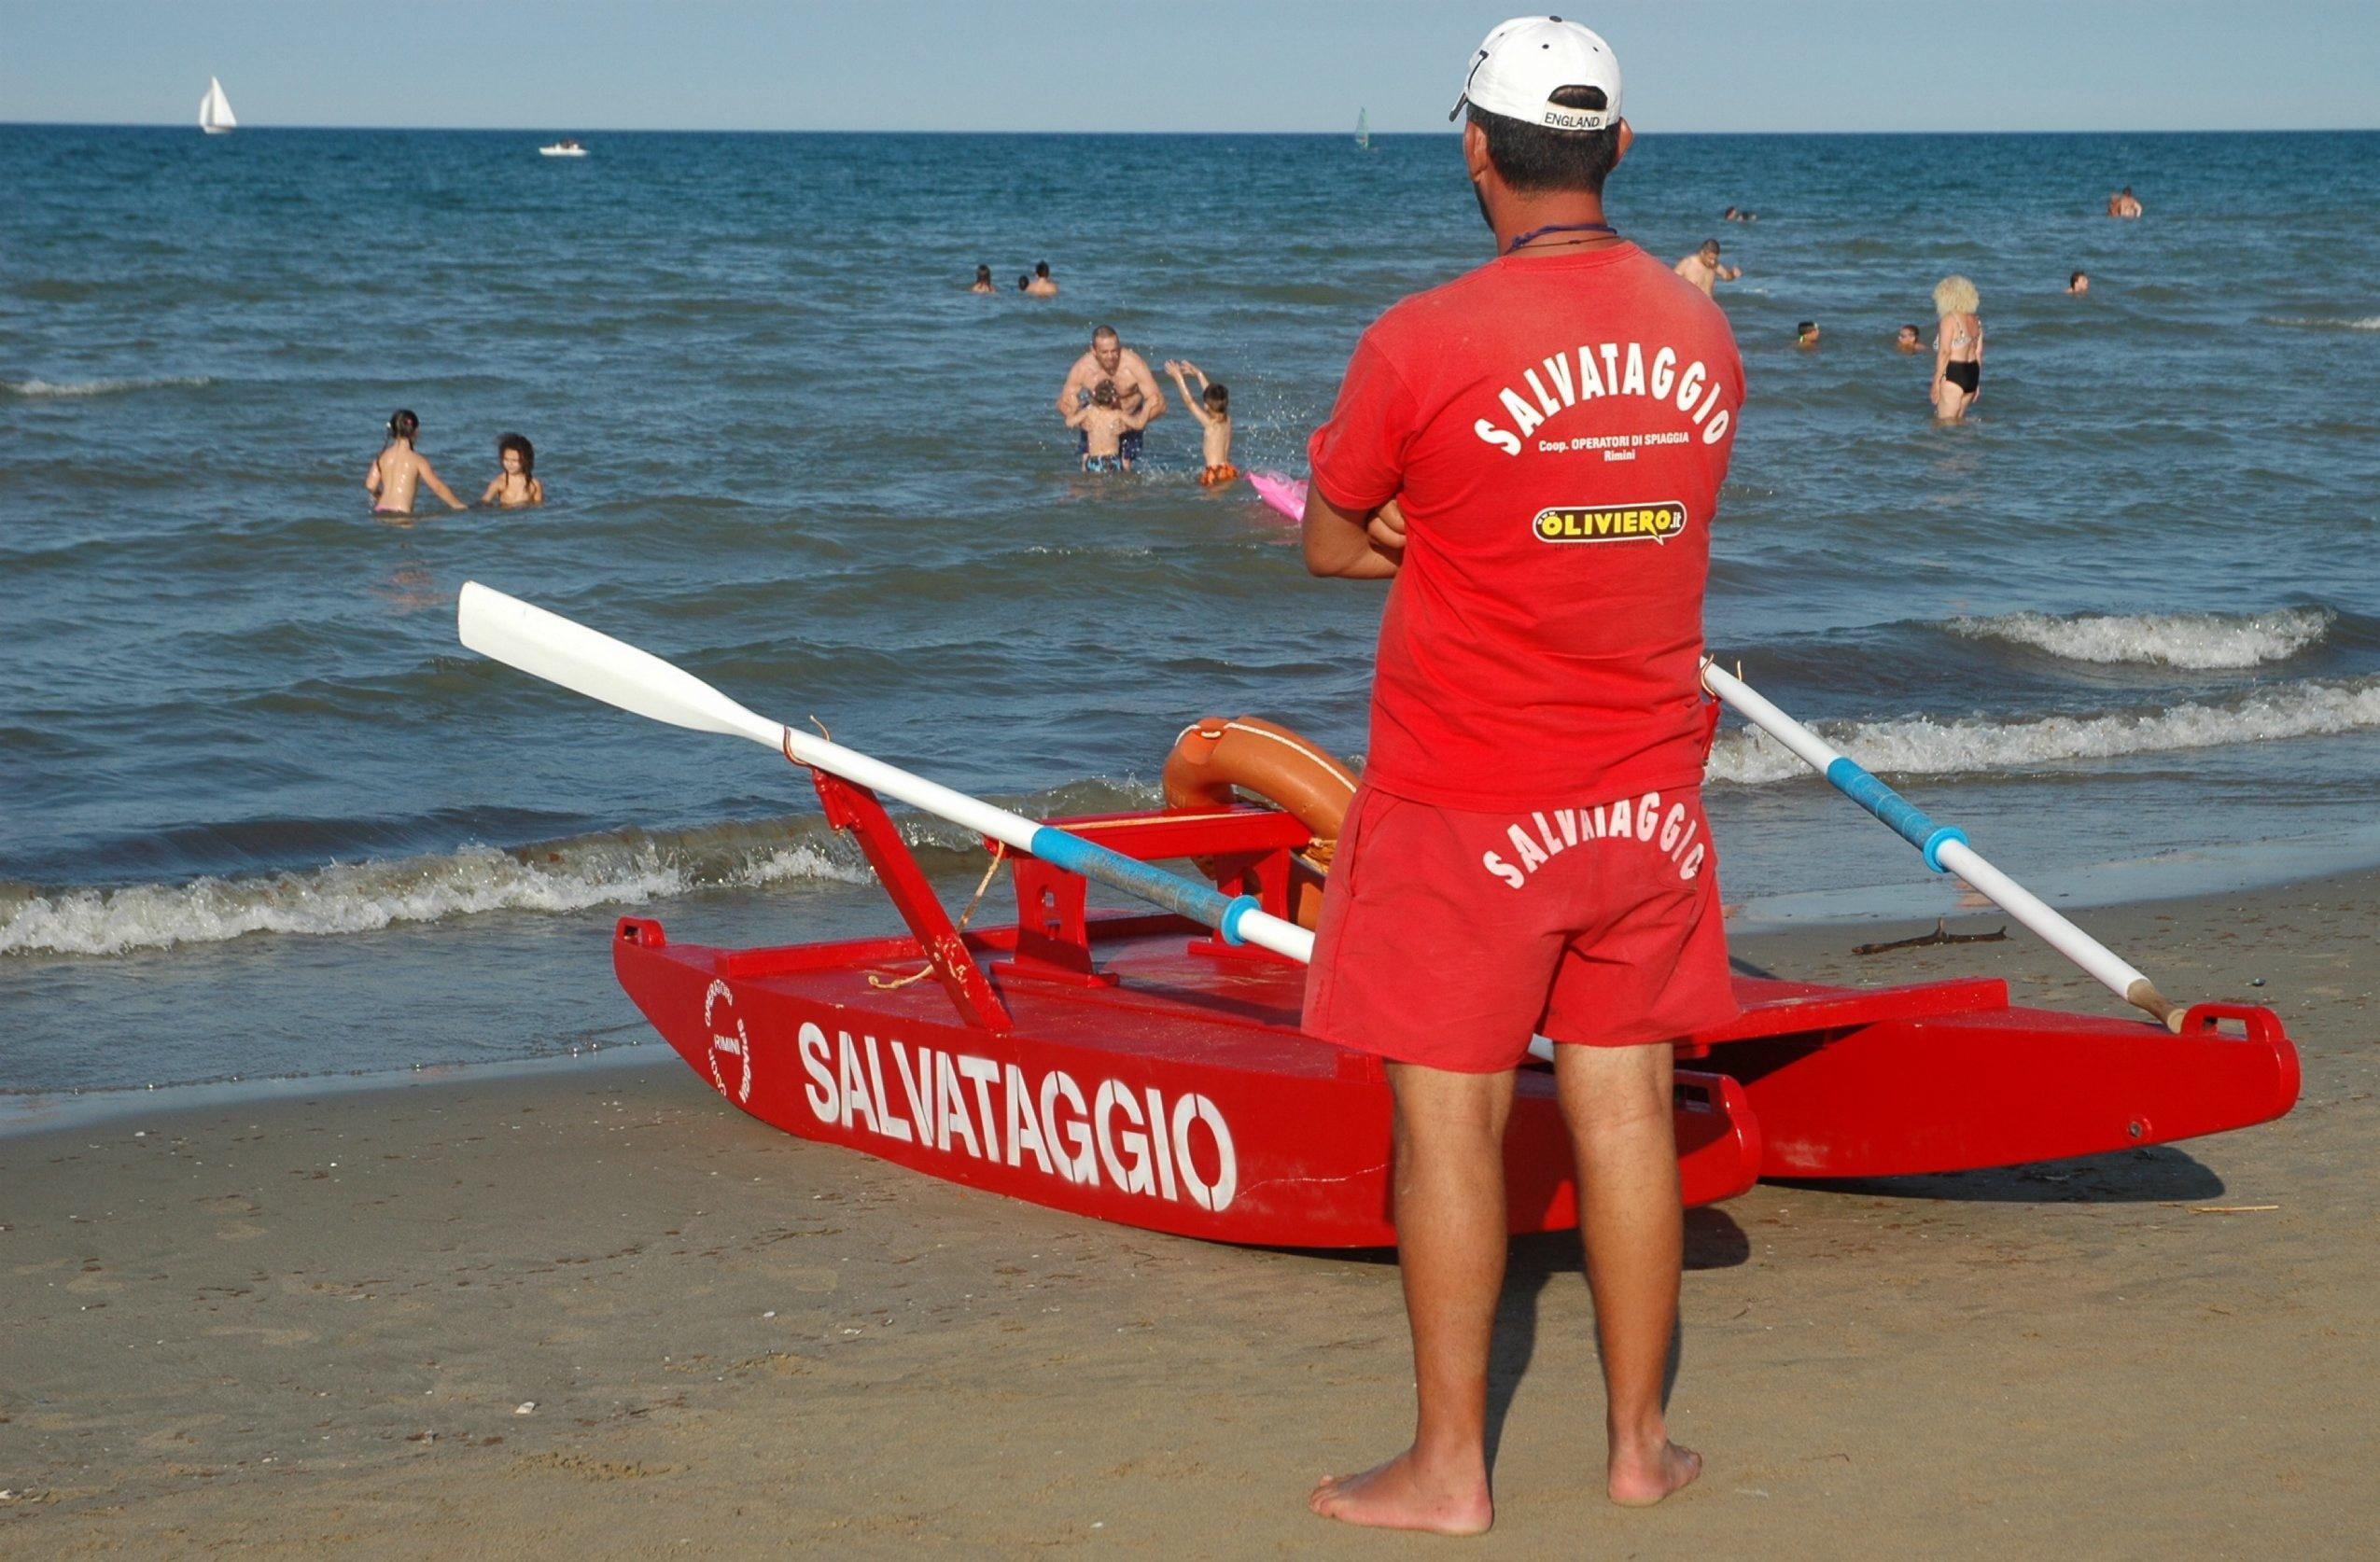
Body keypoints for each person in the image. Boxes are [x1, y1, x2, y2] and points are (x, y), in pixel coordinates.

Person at [1299, 16, 1742, 1536]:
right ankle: (1638, 1442)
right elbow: (1639, 516)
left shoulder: (1420, 338)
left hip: (1469, 798)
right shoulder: (1701, 334)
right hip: (1642, 800)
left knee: (1451, 1124)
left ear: (1474, 149)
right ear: (1620, 150)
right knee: (1623, 1109)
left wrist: (1432, 536)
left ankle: (1446, 1465)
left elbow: (1328, 534)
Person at [1057, 326, 1166, 468]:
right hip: (1096, 420)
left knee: (1125, 467)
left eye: (1115, 351)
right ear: (1094, 351)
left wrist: (1129, 424)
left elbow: (1160, 404)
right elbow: (1062, 402)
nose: (1111, 356)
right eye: (1105, 352)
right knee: (1087, 462)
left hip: (1129, 416)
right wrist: (1080, 421)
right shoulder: (1083, 368)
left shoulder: (1133, 365)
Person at [365, 410, 466, 515]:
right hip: (401, 514)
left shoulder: (381, 457)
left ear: (393, 431)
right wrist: (458, 505)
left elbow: (370, 486)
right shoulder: (418, 460)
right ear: (416, 431)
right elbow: (437, 487)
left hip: (380, 510)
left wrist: (380, 496)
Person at [1164, 359, 1237, 485]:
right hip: (1228, 470)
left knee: (1211, 501)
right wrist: (1199, 374)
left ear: (1206, 406)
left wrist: (1178, 377)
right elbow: (1211, 395)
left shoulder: (1210, 424)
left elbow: (1190, 401)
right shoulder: (1228, 420)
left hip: (1214, 473)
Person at [1065, 379, 1152, 472]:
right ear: (1114, 399)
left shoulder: (1088, 412)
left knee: (1094, 484)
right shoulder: (1117, 414)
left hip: (1093, 460)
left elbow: (1069, 422)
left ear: (1094, 396)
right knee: (1112, 484)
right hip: (1112, 460)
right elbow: (1139, 424)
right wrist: (1148, 406)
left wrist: (1073, 409)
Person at [1931, 274, 1983, 422]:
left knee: (1944, 424)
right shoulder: (1976, 321)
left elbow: (1945, 352)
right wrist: (1977, 382)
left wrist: (1935, 381)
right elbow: (1978, 353)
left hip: (1954, 372)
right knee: (1959, 423)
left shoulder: (1949, 319)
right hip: (1972, 372)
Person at [480, 433, 544, 508]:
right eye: (506, 459)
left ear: (525, 460)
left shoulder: (534, 484)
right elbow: (484, 501)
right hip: (505, 516)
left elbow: (539, 508)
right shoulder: (500, 482)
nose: (509, 464)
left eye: (514, 460)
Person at [1673, 238, 1740, 297]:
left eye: (1715, 259)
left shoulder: (1714, 265)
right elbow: (1672, 282)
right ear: (1702, 253)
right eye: (1710, 258)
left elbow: (1726, 276)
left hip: (1707, 306)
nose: (1712, 262)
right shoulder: (1688, 263)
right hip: (1691, 305)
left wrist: (1733, 274)